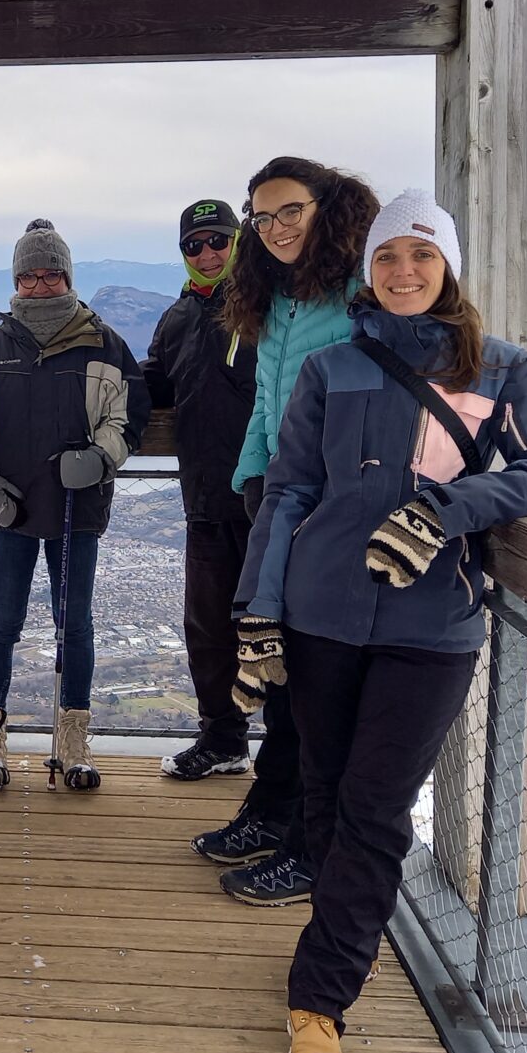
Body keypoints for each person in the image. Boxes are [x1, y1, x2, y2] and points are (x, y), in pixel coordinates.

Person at [232, 193, 527, 1053]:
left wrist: (449, 509)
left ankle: (320, 999)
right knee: (325, 793)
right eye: (388, 257)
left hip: (432, 623)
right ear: (369, 268)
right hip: (318, 613)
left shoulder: (499, 369)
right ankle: (338, 933)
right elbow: (289, 491)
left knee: (377, 808)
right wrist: (258, 611)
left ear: (448, 267)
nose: (402, 272)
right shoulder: (333, 367)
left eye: (421, 257)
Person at [198, 157, 379, 907]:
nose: (275, 228)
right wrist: (252, 477)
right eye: (263, 216)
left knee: (319, 683)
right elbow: (267, 406)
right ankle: (274, 810)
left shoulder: (362, 293)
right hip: (280, 503)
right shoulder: (277, 298)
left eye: (290, 211)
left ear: (325, 208)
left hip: (335, 512)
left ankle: (310, 847)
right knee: (283, 672)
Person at [0, 219, 149, 791]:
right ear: (15, 282)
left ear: (67, 277)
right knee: (1, 624)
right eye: (29, 276)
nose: (39, 285)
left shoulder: (105, 345)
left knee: (73, 626)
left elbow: (129, 414)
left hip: (77, 508)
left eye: (50, 274)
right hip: (7, 510)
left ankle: (72, 742)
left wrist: (101, 458)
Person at [141, 199, 260, 783]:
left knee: (282, 631)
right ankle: (223, 740)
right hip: (206, 501)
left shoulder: (267, 305)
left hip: (271, 503)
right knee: (209, 630)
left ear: (238, 242)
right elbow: (154, 386)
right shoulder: (178, 319)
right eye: (194, 245)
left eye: (218, 241)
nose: (207, 254)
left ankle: (296, 756)